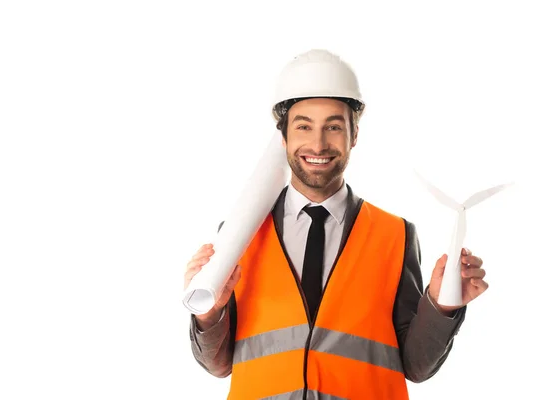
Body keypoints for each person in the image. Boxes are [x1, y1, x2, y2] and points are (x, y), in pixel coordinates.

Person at [184, 49, 488, 399]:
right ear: (282, 137)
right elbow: (217, 364)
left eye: (333, 126)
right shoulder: (239, 233)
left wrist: (442, 304)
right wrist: (209, 314)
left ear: (353, 134)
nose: (318, 144)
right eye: (303, 126)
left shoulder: (396, 236)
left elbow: (416, 366)